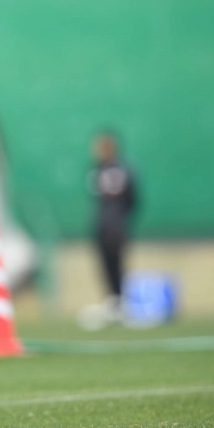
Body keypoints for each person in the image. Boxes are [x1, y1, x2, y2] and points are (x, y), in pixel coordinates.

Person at [89, 130, 138, 324]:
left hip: (110, 224)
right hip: (111, 224)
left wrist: (118, 217)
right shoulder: (111, 168)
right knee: (110, 265)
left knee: (114, 265)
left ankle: (119, 302)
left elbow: (131, 199)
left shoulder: (103, 170)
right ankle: (114, 302)